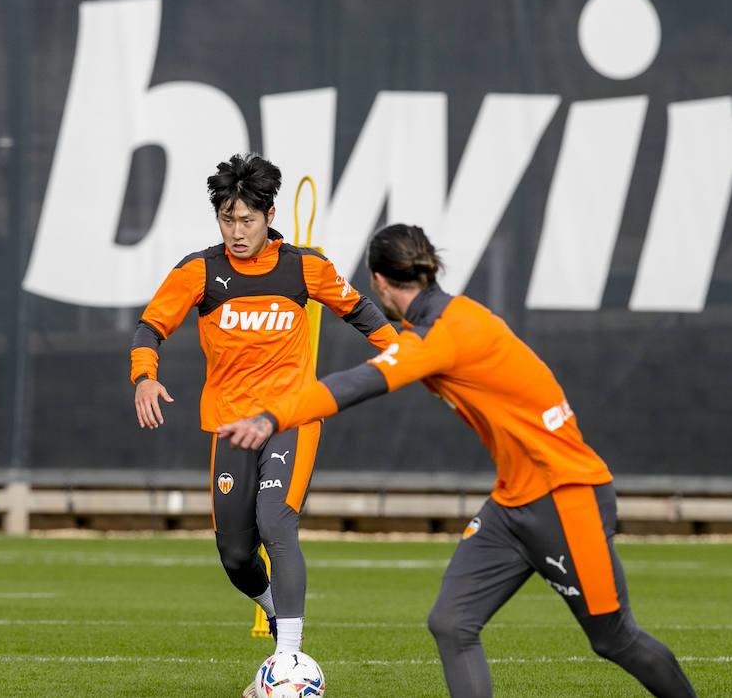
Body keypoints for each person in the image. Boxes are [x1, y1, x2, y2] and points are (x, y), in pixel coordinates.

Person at [217, 224, 698, 698]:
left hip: (567, 498)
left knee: (614, 639)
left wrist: (271, 417)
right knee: (451, 623)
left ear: (380, 282)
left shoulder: (442, 335)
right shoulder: (451, 318)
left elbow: (358, 384)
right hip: (514, 505)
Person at [129, 153, 397, 677]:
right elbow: (150, 327)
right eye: (227, 219)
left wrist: (411, 361)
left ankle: (290, 657)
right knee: (234, 556)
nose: (236, 230)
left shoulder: (305, 267)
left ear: (270, 215)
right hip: (231, 425)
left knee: (276, 521)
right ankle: (275, 615)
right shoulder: (200, 270)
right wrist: (145, 376)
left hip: (293, 416)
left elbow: (364, 314)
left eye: (246, 219)